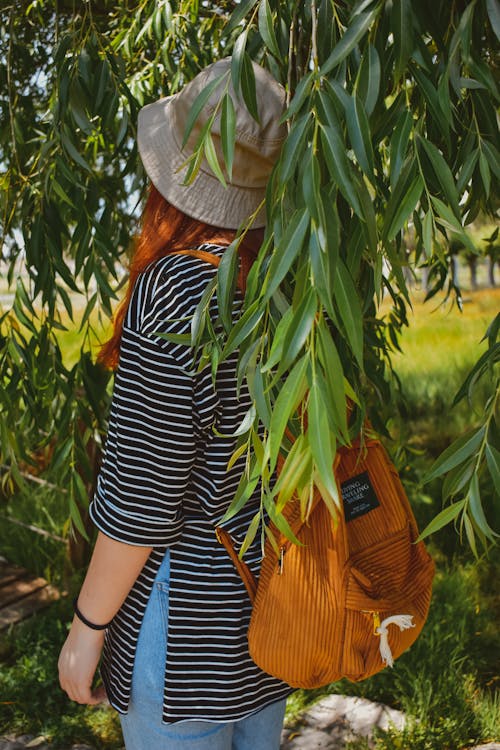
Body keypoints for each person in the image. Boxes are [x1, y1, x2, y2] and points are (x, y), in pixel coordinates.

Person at [58, 58, 292, 749]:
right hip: (267, 621)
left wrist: (85, 630)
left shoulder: (176, 291)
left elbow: (142, 494)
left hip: (184, 635)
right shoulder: (289, 282)